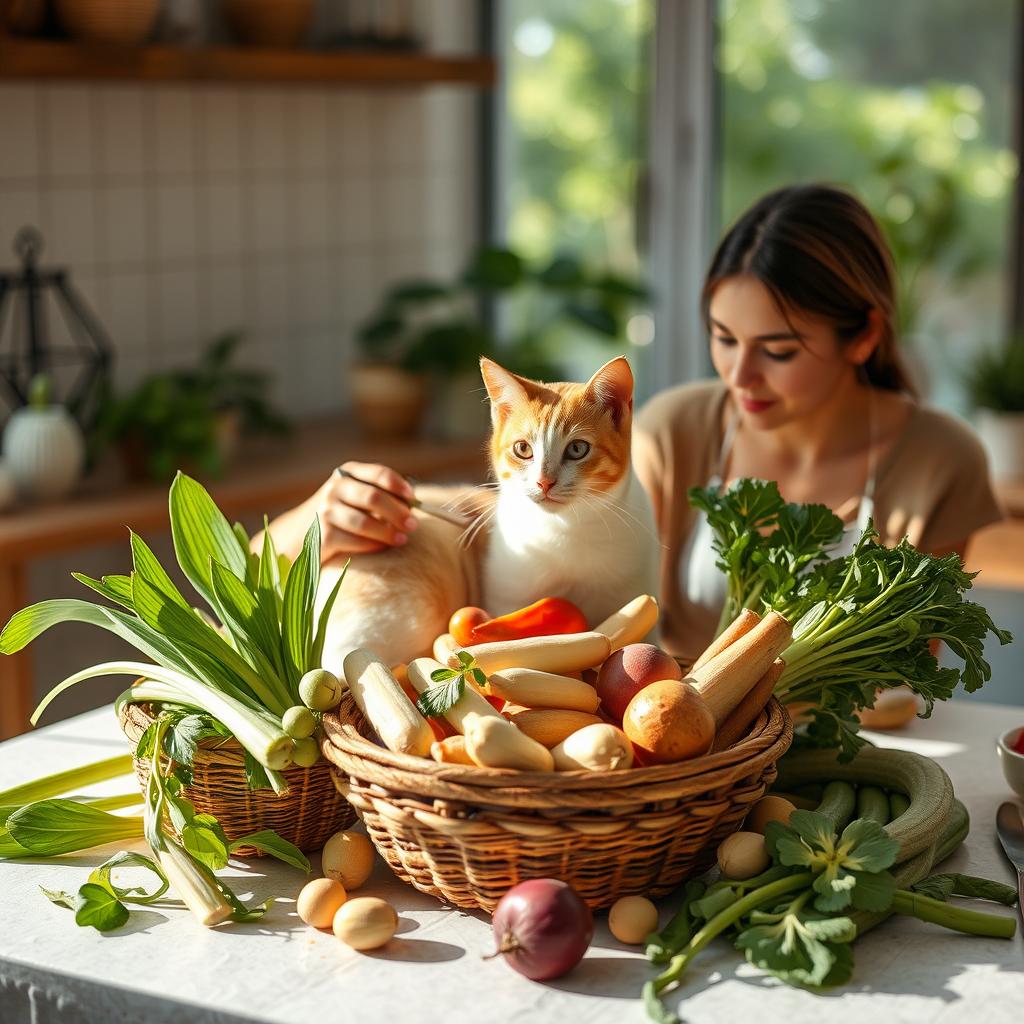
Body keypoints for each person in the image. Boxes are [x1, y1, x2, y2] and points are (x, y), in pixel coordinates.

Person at [259, 183, 1003, 666]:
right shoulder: (680, 427)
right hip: (664, 754)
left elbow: (911, 665)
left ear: (865, 337)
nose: (739, 377)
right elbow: (532, 518)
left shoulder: (941, 461)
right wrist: (326, 515)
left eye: (778, 350)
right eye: (723, 338)